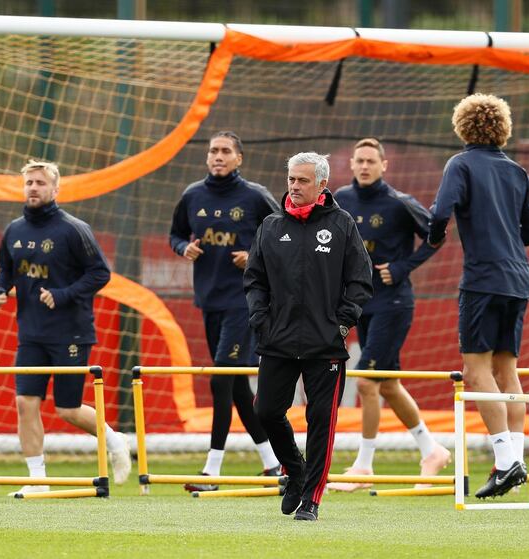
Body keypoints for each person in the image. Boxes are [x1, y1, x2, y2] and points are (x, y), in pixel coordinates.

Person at [428, 93, 529, 499]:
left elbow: (441, 211)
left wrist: (432, 235)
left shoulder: (460, 164)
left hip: (482, 278)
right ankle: (514, 458)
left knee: (475, 368)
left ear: (462, 126)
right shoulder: (517, 171)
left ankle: (506, 460)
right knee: (506, 368)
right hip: (518, 279)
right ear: (502, 128)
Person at [0, 159, 131, 496]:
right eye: (29, 183)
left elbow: (100, 273)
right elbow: (5, 272)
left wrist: (63, 295)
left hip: (71, 331)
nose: (34, 188)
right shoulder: (13, 231)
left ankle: (115, 441)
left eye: (40, 183)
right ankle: (38, 480)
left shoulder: (73, 229)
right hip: (31, 333)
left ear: (55, 189)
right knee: (25, 402)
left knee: (67, 409)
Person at [244, 152, 373, 521]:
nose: (294, 186)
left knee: (321, 421)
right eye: (290, 179)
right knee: (266, 411)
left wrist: (342, 325)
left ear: (321, 185)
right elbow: (255, 279)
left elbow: (361, 282)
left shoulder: (342, 224)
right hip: (277, 340)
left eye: (302, 181)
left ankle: (312, 499)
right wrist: (260, 319)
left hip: (325, 345)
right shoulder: (270, 225)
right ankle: (295, 469)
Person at [328, 138, 450, 493]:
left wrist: (402, 267)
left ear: (384, 166)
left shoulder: (399, 203)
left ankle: (364, 466)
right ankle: (433, 450)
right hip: (360, 304)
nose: (365, 166)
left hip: (394, 304)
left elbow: (436, 235)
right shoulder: (341, 200)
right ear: (351, 164)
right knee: (389, 385)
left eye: (371, 161)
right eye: (360, 160)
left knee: (366, 382)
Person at [169, 131, 281, 491]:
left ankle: (212, 471)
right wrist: (183, 247)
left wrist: (255, 256)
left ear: (239, 159)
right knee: (234, 388)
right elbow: (175, 234)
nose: (218, 156)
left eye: (225, 151)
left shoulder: (254, 196)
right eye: (213, 151)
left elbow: (285, 234)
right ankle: (273, 464)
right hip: (210, 300)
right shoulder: (192, 195)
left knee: (221, 378)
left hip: (244, 301)